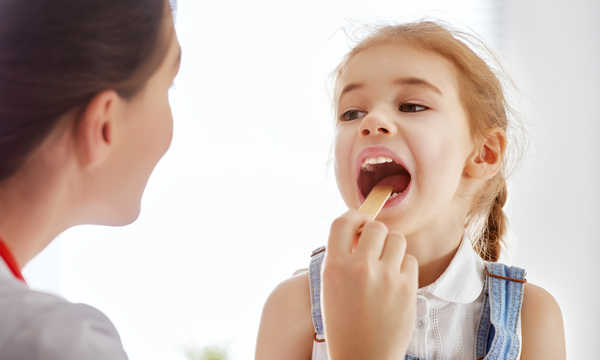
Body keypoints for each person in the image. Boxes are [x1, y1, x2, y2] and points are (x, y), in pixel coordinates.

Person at [0, 1, 413, 359]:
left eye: (412, 106)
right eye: (168, 85)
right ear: (105, 125)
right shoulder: (53, 345)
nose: (375, 123)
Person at [255, 21, 566, 360]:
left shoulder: (531, 319)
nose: (371, 121)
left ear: (483, 154)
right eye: (351, 112)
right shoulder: (292, 308)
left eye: (412, 106)